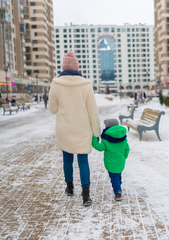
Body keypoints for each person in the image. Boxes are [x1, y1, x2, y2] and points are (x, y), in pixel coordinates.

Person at [49, 51, 101, 207]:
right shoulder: (85, 85)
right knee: (83, 161)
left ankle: (70, 188)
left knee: (67, 160)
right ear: (77, 68)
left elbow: (52, 109)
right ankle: (86, 195)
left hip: (65, 128)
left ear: (63, 67)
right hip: (83, 129)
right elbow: (93, 111)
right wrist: (96, 132)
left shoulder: (56, 84)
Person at [92, 119, 130, 201]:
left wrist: (94, 138)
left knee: (113, 177)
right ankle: (118, 186)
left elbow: (100, 148)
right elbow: (127, 148)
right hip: (121, 161)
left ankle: (118, 192)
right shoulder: (123, 137)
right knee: (118, 175)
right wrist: (124, 157)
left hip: (110, 162)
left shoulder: (106, 138)